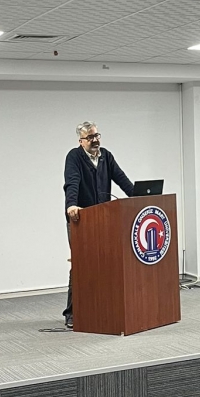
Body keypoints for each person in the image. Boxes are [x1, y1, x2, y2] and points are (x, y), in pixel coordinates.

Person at [62, 120, 137, 328]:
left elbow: (122, 180)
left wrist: (139, 198)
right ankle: (72, 313)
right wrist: (71, 205)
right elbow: (72, 182)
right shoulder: (74, 157)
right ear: (81, 141)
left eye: (96, 136)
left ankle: (101, 308)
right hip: (80, 219)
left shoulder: (106, 156)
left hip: (104, 219)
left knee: (105, 263)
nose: (95, 140)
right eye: (90, 137)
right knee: (81, 265)